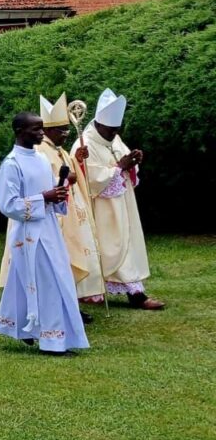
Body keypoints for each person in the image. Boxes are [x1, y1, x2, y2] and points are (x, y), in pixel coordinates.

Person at [0, 112, 89, 354]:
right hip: (29, 234)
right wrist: (43, 198)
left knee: (38, 282)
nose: (40, 133)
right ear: (19, 131)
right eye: (35, 129)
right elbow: (8, 204)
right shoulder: (12, 164)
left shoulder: (40, 159)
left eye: (41, 128)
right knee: (48, 284)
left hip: (49, 230)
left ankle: (26, 329)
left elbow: (49, 194)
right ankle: (52, 341)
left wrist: (58, 194)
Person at [1, 96, 106, 308]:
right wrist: (51, 193)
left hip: (54, 218)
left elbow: (59, 178)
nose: (65, 134)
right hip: (33, 220)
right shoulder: (26, 157)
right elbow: (14, 200)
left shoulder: (50, 152)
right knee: (37, 270)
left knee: (58, 265)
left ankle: (63, 305)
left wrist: (75, 161)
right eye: (61, 130)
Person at [70, 89, 163, 310]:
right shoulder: (85, 143)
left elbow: (122, 159)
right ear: (99, 124)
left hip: (122, 203)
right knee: (110, 246)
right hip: (101, 208)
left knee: (127, 243)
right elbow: (85, 177)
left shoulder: (114, 138)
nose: (113, 134)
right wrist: (118, 167)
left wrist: (133, 163)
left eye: (116, 130)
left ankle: (134, 291)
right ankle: (132, 295)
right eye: (110, 130)